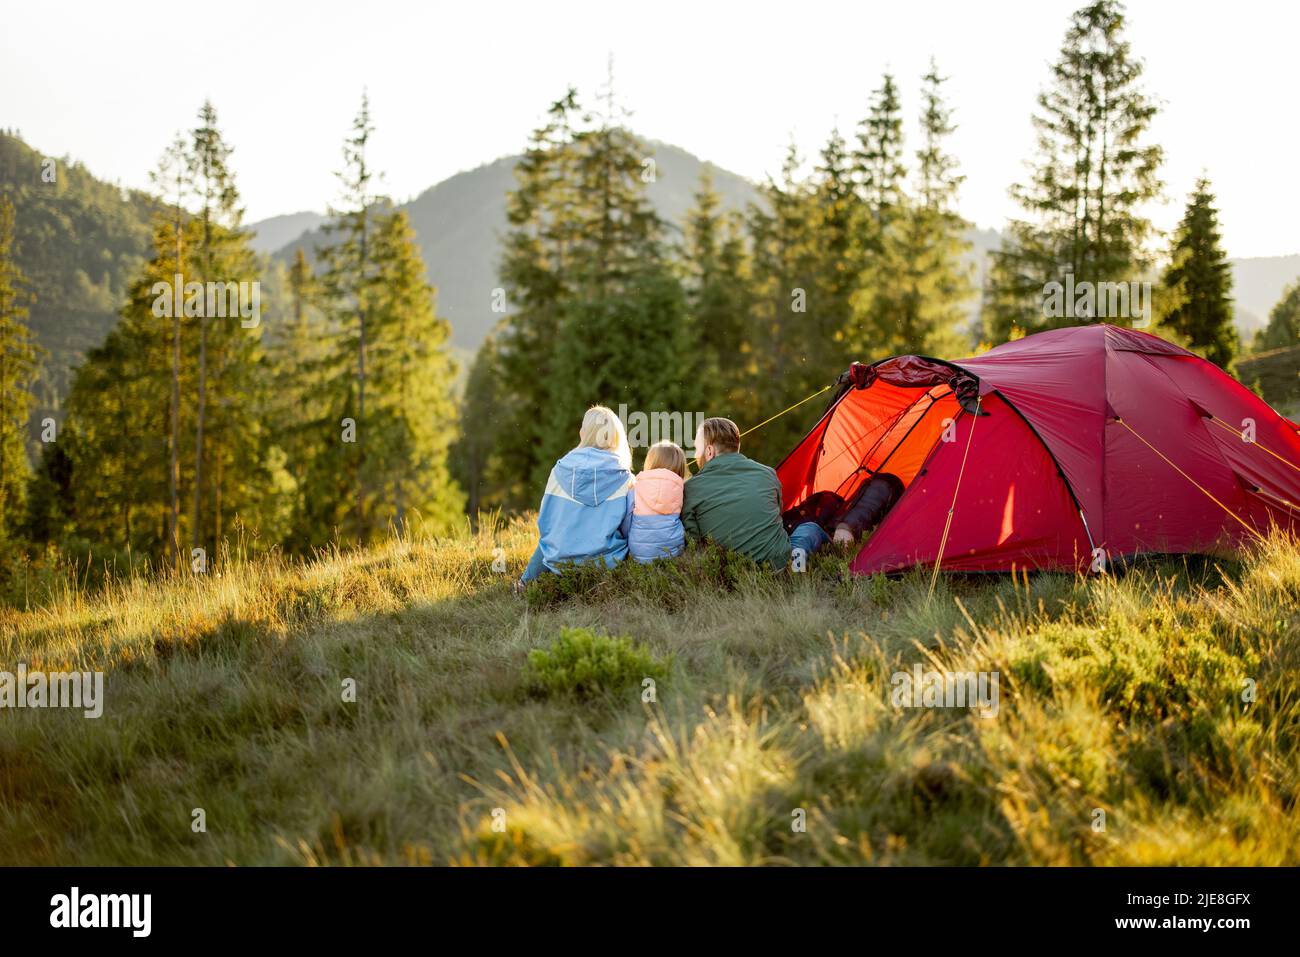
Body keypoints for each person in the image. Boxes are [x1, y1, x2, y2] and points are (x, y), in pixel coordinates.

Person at [680, 416, 828, 569]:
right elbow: (776, 516)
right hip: (780, 565)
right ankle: (808, 570)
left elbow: (693, 543)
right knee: (809, 529)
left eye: (697, 449)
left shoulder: (690, 489)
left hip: (728, 572)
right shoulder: (768, 473)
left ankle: (799, 571)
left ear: (709, 451)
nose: (696, 455)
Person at [519, 406, 635, 585]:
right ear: (616, 437)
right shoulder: (624, 477)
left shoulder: (559, 470)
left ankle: (523, 584)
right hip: (607, 563)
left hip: (559, 563)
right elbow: (629, 529)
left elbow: (547, 524)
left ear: (583, 433)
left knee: (545, 543)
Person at [627, 440, 688, 563]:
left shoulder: (636, 487)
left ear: (650, 462)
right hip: (673, 552)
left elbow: (627, 519)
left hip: (639, 552)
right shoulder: (682, 489)